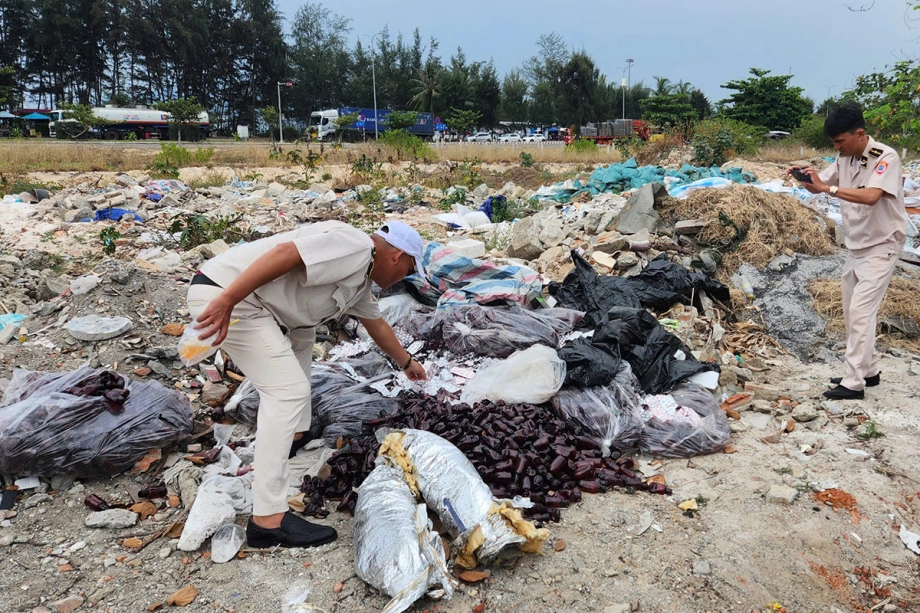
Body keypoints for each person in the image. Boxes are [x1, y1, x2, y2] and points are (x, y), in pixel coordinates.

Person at [186, 220, 428, 548]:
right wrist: (227, 299)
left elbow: (377, 324)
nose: (405, 278)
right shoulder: (357, 247)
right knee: (287, 391)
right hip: (231, 297)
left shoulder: (361, 279)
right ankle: (268, 520)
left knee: (304, 334)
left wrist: (407, 363)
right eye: (409, 270)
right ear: (398, 256)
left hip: (251, 302)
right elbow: (285, 254)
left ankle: (295, 437)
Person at [788, 103, 907, 400]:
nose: (837, 147)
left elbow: (871, 196)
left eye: (840, 141)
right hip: (856, 246)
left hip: (882, 245)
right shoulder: (845, 158)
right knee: (852, 310)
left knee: (861, 312)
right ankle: (869, 370)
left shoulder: (885, 157)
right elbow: (822, 183)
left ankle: (853, 382)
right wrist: (806, 178)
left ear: (860, 134)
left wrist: (826, 189)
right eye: (834, 143)